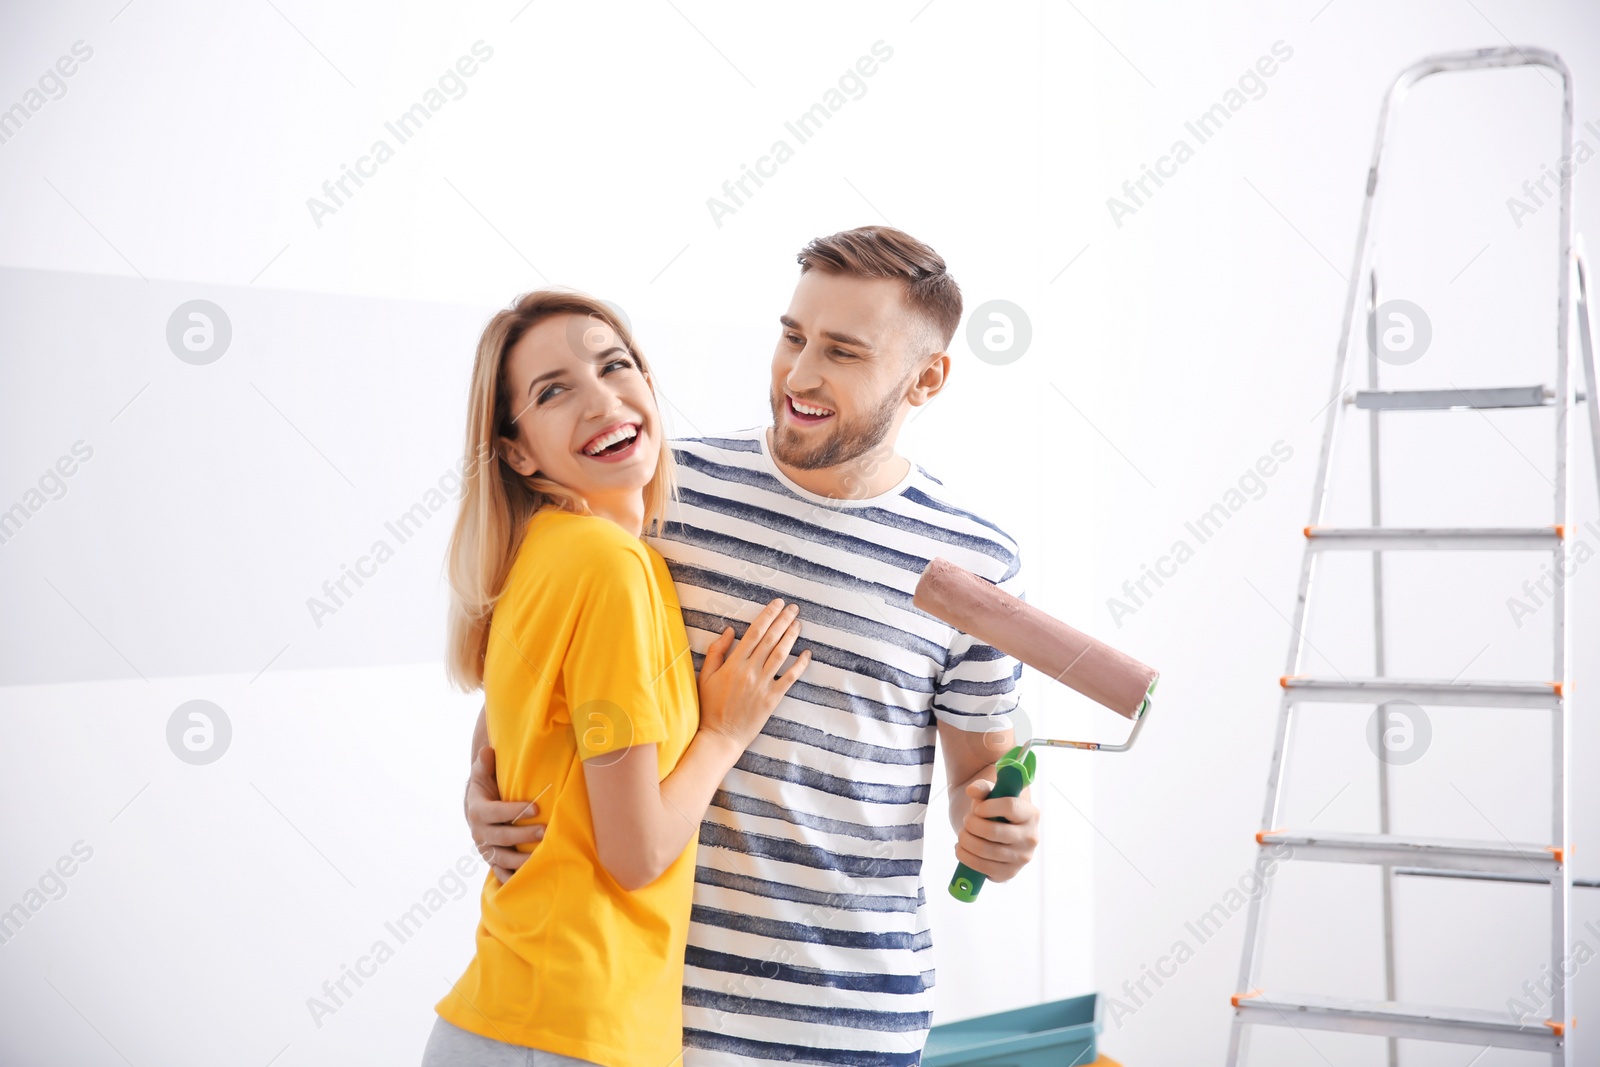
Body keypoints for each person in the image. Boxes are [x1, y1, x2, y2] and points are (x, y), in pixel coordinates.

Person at [467, 227, 1043, 1066]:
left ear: (927, 378)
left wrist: (996, 822)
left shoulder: (977, 567)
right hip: (664, 1016)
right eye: (793, 335)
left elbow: (974, 777)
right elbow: (535, 683)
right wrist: (482, 788)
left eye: (843, 351)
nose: (801, 374)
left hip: (855, 1021)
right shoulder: (663, 489)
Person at [424, 289, 812, 1067]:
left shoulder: (546, 550)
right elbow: (636, 854)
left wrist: (481, 774)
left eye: (614, 365)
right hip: (572, 1031)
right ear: (518, 451)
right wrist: (724, 733)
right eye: (553, 390)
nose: (602, 400)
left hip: (515, 1018)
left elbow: (531, 716)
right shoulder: (609, 568)